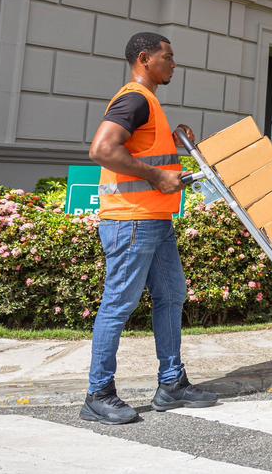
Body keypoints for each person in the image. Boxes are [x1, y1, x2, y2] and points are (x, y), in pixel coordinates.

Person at [81, 32, 219, 424]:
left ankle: (171, 384)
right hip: (131, 222)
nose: (174, 64)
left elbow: (142, 152)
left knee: (172, 296)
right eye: (168, 57)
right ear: (145, 58)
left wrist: (178, 146)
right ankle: (98, 393)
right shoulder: (134, 99)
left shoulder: (149, 103)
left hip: (154, 221)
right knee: (118, 306)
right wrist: (158, 176)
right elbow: (103, 149)